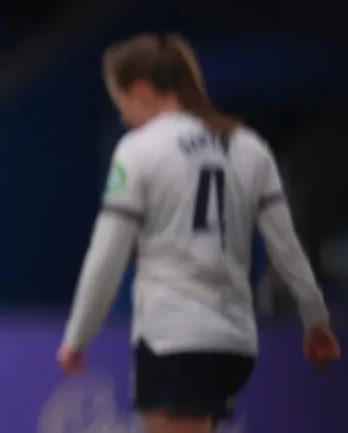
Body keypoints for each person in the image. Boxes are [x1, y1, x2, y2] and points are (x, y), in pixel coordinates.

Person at [57, 33, 341, 433]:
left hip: (173, 337)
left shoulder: (138, 150)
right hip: (234, 345)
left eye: (123, 105)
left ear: (141, 91)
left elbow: (108, 255)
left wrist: (78, 336)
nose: (124, 119)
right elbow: (285, 245)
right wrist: (316, 319)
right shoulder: (249, 148)